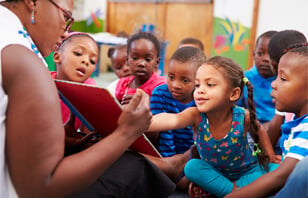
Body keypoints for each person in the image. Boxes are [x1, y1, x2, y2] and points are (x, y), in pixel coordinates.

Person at [0, 1, 167, 197]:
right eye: (66, 17)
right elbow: (40, 188)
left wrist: (57, 140)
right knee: (133, 167)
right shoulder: (24, 58)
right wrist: (126, 133)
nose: (64, 33)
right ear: (33, 2)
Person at [148, 56, 280, 197]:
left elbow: (259, 130)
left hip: (248, 172)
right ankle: (236, 193)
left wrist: (270, 155)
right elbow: (173, 120)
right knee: (192, 167)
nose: (200, 90)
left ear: (234, 94)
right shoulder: (196, 116)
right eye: (198, 85)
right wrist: (143, 124)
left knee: (277, 168)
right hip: (216, 174)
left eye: (210, 85)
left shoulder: (243, 117)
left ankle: (227, 191)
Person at [225, 44, 308, 198]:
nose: (273, 84)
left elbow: (280, 177)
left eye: (283, 78)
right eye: (276, 76)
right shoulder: (298, 122)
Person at [150, 46, 206, 156]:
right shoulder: (160, 94)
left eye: (185, 80)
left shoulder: (202, 97)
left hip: (194, 154)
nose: (175, 85)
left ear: (198, 80)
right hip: (166, 156)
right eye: (171, 77)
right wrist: (169, 163)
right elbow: (165, 133)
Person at [51, 32, 100, 153]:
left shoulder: (89, 89)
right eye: (78, 53)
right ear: (57, 57)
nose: (86, 61)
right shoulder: (42, 81)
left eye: (92, 61)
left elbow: (89, 134)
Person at [266, 30, 307, 153]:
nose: (274, 84)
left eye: (283, 78)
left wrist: (265, 155)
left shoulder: (290, 94)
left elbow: (275, 127)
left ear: (274, 63)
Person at [237, 31, 278, 126]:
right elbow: (236, 110)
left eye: (271, 55)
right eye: (260, 53)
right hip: (249, 127)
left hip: (276, 128)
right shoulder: (244, 78)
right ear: (253, 54)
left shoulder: (283, 81)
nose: (266, 59)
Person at [115, 31, 166, 105]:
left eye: (148, 59)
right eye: (135, 58)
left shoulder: (160, 87)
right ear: (127, 60)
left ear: (157, 62)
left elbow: (165, 110)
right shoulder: (122, 85)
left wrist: (145, 102)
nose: (141, 63)